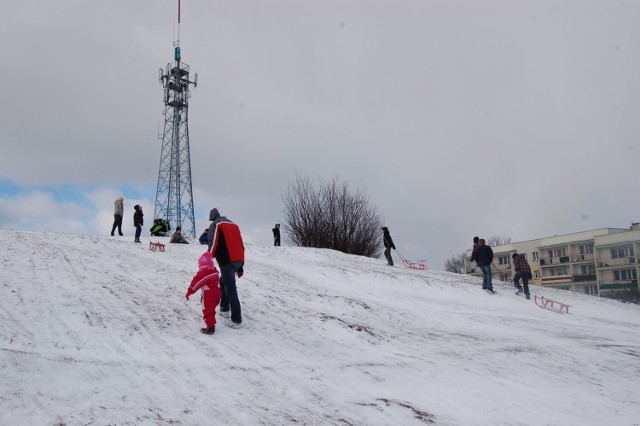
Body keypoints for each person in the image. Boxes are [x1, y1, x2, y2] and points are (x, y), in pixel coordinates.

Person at [207, 208, 245, 327]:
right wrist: (240, 266)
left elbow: (213, 242)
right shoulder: (233, 224)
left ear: (212, 218)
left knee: (231, 290)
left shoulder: (216, 224)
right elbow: (240, 244)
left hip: (227, 261)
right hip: (237, 260)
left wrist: (209, 257)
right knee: (222, 281)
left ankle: (236, 320)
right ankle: (224, 308)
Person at [185, 252, 222, 335]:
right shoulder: (214, 271)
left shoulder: (203, 274)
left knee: (207, 311)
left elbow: (195, 284)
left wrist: (189, 293)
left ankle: (210, 327)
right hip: (217, 293)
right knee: (211, 309)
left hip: (209, 295)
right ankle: (211, 323)